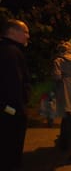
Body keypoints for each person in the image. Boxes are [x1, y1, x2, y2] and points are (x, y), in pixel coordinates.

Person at [0, 19, 31, 171]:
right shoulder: (12, 53)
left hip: (7, 109)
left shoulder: (7, 49)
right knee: (11, 149)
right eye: (25, 32)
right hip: (11, 112)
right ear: (12, 32)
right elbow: (14, 85)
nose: (28, 36)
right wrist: (18, 110)